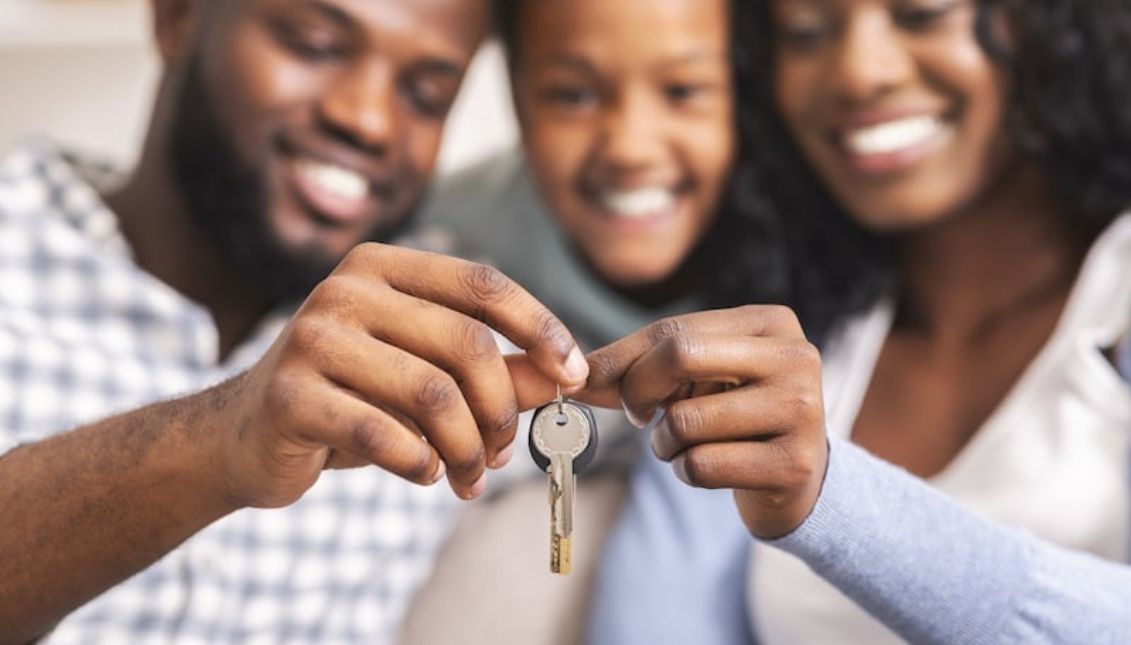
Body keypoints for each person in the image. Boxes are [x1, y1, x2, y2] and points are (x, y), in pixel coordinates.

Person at [0, 0, 592, 642]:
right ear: (176, 16)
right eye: (313, 44)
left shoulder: (462, 325)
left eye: (426, 94)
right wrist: (213, 440)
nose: (367, 119)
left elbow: (623, 397)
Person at [579, 0, 1131, 643]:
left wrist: (829, 499)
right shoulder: (767, 335)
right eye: (807, 33)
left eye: (922, 15)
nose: (858, 73)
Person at [406, 0, 769, 643]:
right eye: (573, 95)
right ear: (514, 93)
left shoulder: (815, 258)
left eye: (683, 90)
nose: (629, 146)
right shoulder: (450, 240)